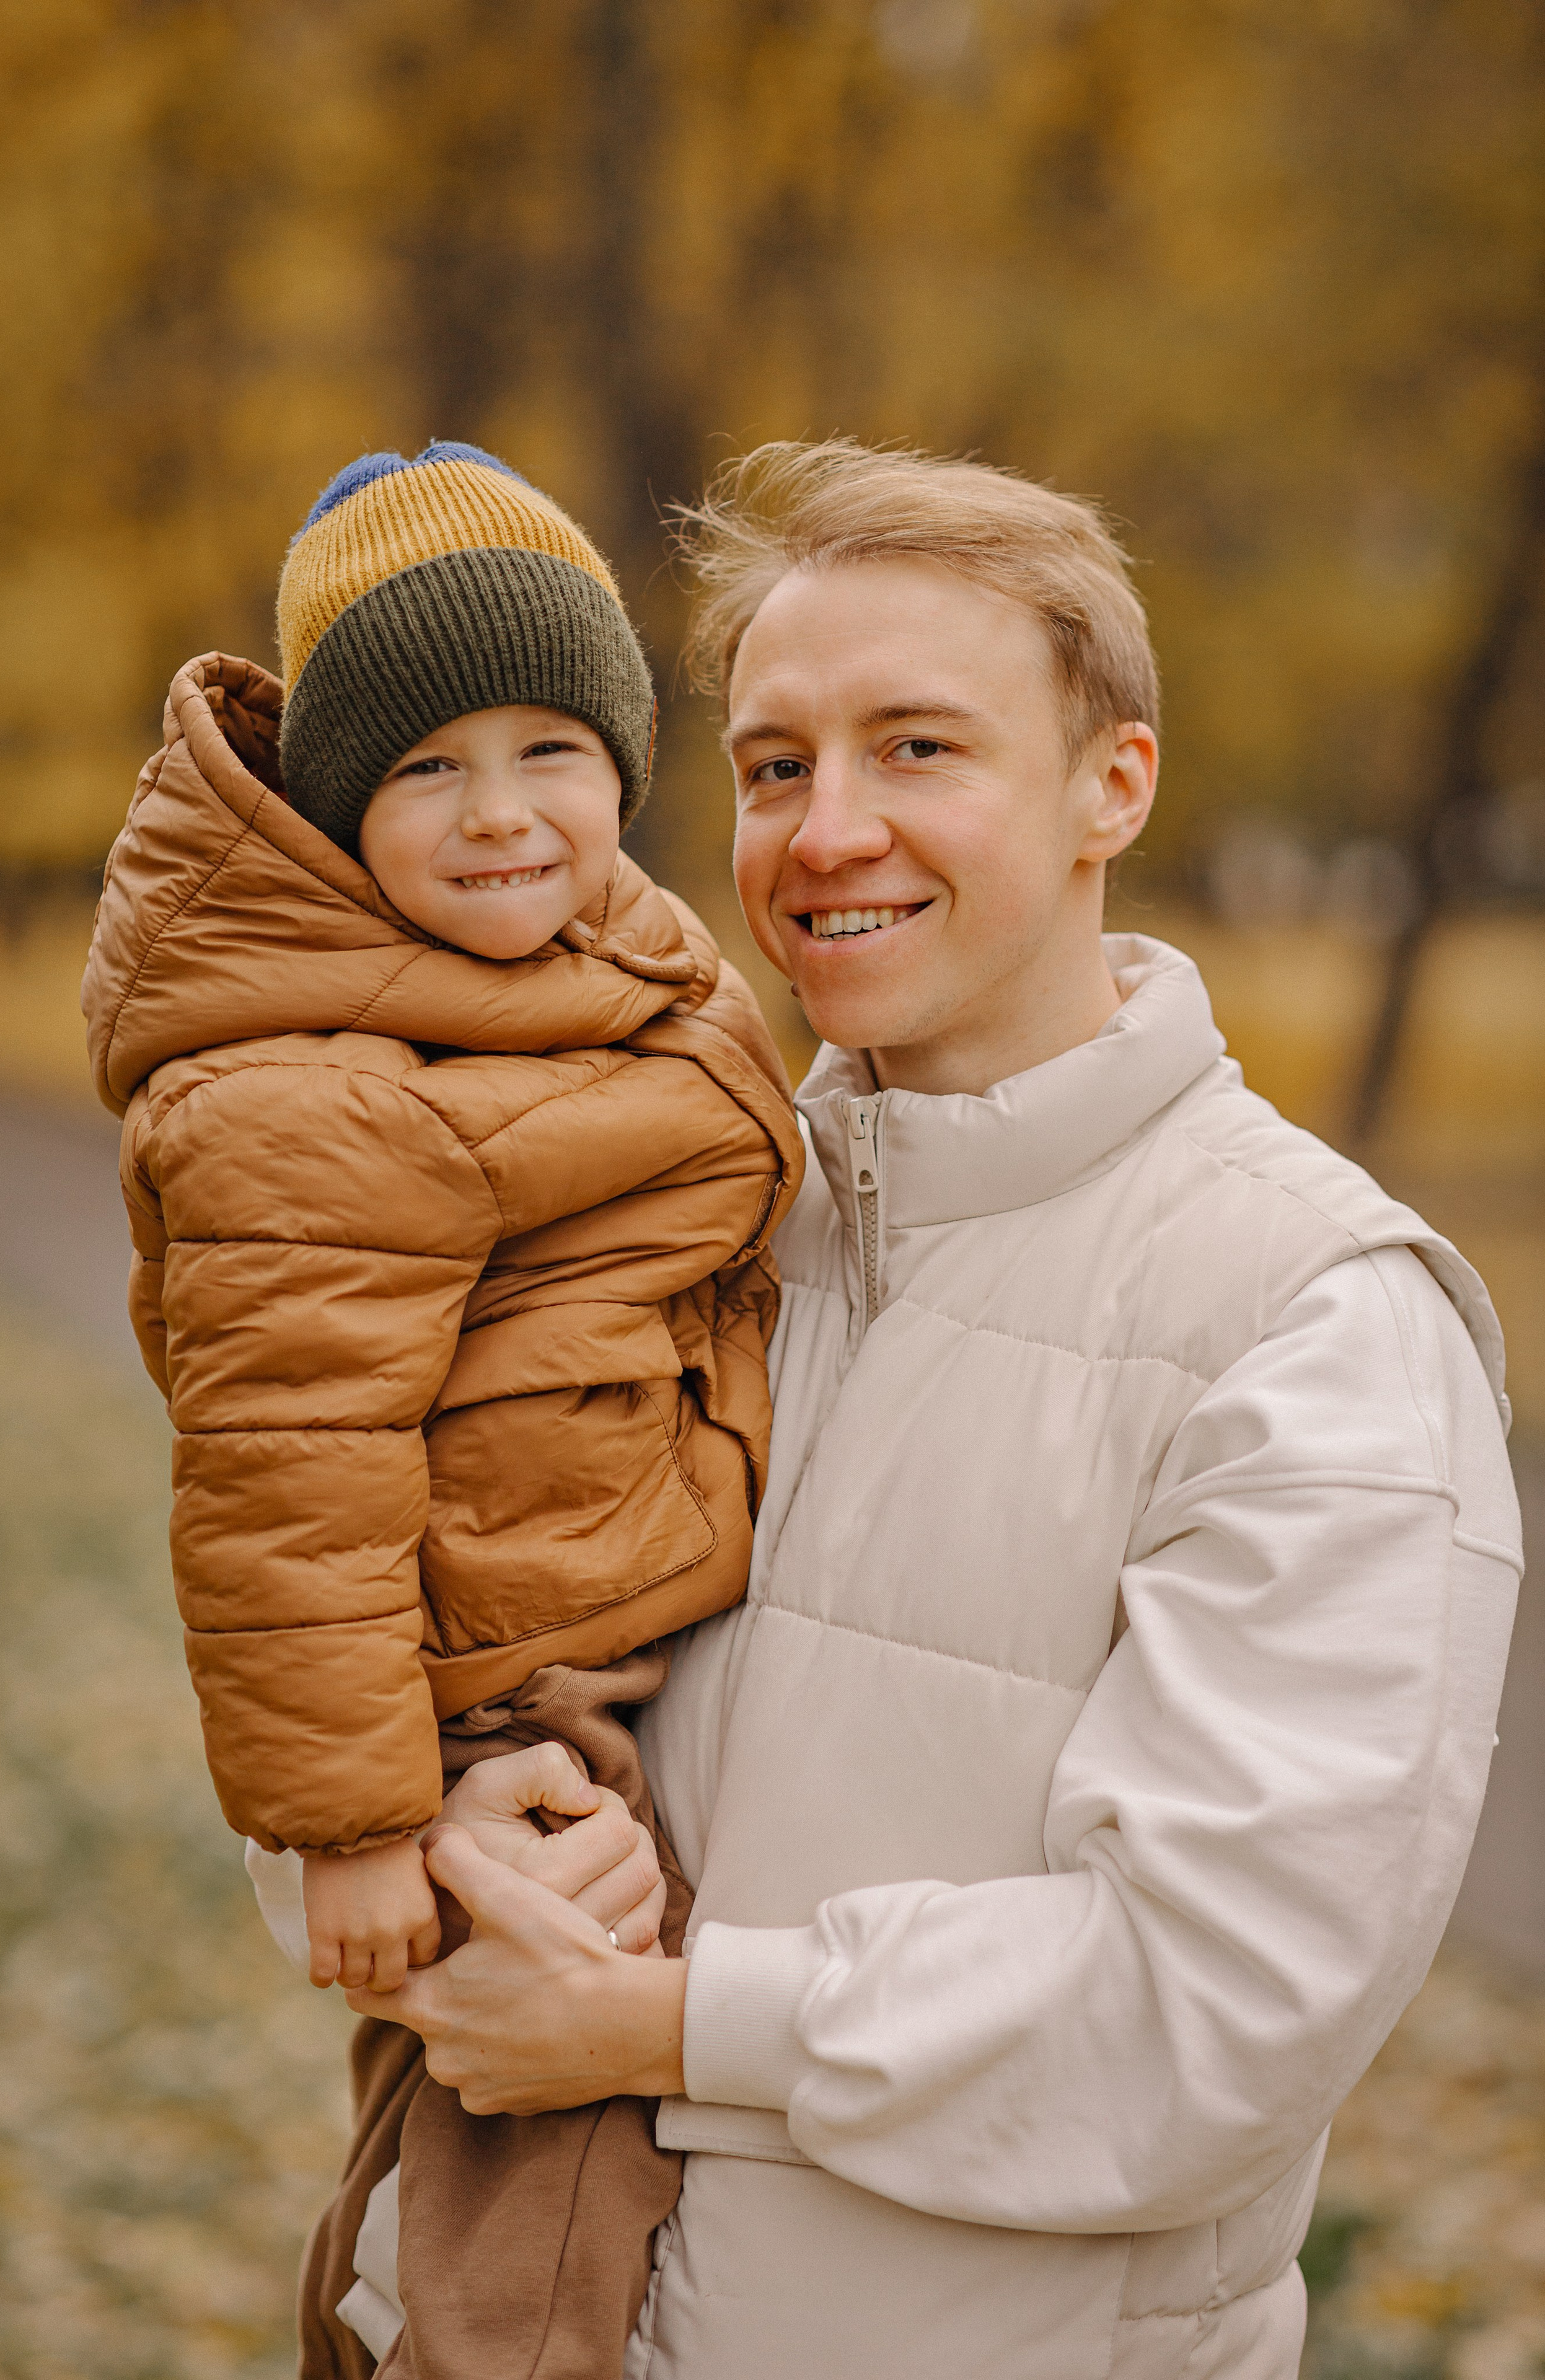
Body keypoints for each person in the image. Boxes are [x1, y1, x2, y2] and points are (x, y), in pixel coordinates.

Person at [333, 438, 1525, 2380]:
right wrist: (455, 1817)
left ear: (1111, 784)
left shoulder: (1308, 1320)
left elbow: (1212, 2012)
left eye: (918, 749)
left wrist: (664, 2023)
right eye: (775, 765)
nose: (825, 834)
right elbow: (345, 1653)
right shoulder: (653, 1205)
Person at [81, 441, 803, 2380]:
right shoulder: (306, 1084)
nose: (500, 813)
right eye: (423, 769)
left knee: (456, 2135)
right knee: (539, 2174)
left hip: (588, 1606)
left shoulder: (593, 963)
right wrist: (353, 1825)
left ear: (624, 765)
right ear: (338, 809)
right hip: (504, 1680)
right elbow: (282, 1481)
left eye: (550, 749)